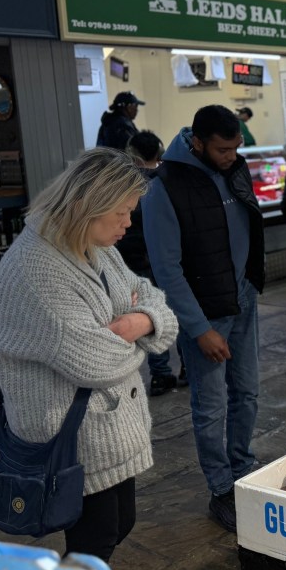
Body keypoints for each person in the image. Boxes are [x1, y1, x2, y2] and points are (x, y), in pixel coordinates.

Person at [0, 148, 178, 561]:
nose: (129, 223)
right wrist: (133, 336)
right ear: (89, 205)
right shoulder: (36, 272)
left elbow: (151, 298)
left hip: (104, 429)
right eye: (122, 213)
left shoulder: (95, 245)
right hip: (70, 437)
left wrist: (133, 324)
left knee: (118, 525)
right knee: (95, 541)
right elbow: (98, 363)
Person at [142, 105, 265, 534]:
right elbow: (166, 270)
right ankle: (221, 489)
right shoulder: (164, 187)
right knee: (210, 407)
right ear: (197, 141)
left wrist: (251, 280)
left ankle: (243, 469)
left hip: (243, 300)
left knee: (247, 394)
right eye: (222, 148)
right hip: (206, 314)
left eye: (236, 147)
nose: (232, 155)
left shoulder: (236, 168)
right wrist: (199, 329)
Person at [115, 131, 186, 397]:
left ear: (132, 155)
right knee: (175, 312)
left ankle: (160, 375)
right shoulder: (166, 183)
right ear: (158, 153)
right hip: (166, 261)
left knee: (149, 316)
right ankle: (187, 367)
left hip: (134, 263)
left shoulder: (122, 186)